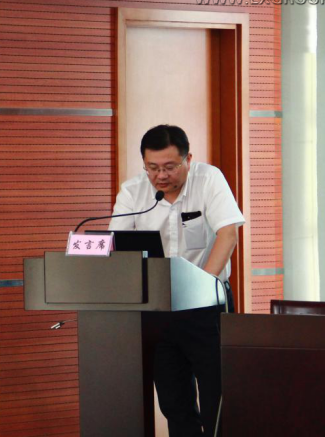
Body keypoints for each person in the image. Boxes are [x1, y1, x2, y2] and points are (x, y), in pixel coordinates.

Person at [109, 124, 245, 437]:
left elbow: (228, 234)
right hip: (157, 308)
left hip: (206, 305)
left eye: (170, 167)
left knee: (217, 396)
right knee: (173, 401)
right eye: (153, 168)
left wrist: (202, 287)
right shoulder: (133, 191)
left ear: (188, 159)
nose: (161, 176)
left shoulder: (208, 179)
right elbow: (116, 245)